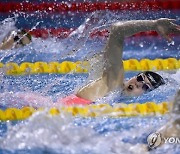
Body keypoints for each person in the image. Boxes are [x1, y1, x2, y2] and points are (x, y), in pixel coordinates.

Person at [60, 18, 179, 104]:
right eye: (140, 78)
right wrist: (154, 24)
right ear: (135, 76)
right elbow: (118, 30)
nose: (138, 83)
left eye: (145, 87)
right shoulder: (114, 82)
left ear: (148, 95)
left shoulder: (116, 99)